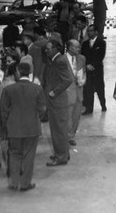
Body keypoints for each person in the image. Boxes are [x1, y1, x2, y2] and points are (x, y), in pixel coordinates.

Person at [0, 63, 45, 192]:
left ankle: (14, 183)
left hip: (14, 128)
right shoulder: (37, 89)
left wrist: (5, 126)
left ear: (18, 72)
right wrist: (38, 119)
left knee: (14, 154)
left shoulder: (8, 90)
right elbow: (42, 108)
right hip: (32, 128)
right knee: (29, 156)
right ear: (29, 73)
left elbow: (4, 111)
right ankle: (25, 184)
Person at [44, 39, 73, 167]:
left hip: (57, 101)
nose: (46, 50)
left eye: (48, 48)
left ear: (56, 48)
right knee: (59, 129)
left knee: (58, 130)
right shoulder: (55, 60)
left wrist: (54, 92)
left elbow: (67, 80)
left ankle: (60, 157)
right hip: (55, 101)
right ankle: (63, 153)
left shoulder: (59, 61)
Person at [81, 24, 106, 114]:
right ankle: (89, 108)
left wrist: (93, 65)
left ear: (96, 32)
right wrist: (87, 65)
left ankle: (103, 105)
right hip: (87, 69)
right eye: (88, 31)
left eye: (91, 30)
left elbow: (101, 56)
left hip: (97, 69)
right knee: (88, 89)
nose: (89, 32)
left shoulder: (101, 43)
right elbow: (82, 56)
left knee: (100, 88)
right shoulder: (84, 44)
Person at [65, 40, 86, 146]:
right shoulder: (62, 59)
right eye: (76, 47)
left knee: (76, 116)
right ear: (69, 47)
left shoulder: (82, 58)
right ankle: (66, 135)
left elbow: (84, 72)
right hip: (67, 92)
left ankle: (72, 135)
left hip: (78, 91)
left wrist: (83, 80)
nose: (78, 49)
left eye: (79, 47)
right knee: (67, 116)